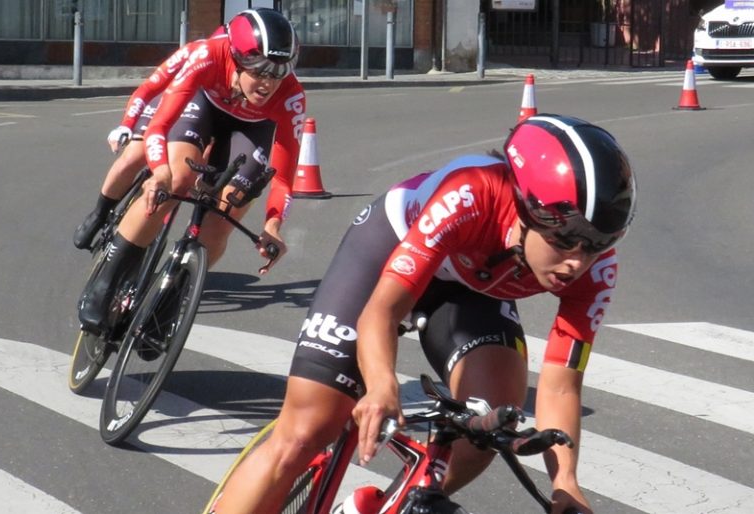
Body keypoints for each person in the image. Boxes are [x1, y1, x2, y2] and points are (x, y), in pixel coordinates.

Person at [208, 114, 637, 514]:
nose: (577, 263)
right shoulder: (469, 195)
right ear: (526, 210)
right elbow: (382, 311)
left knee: (489, 422)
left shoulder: (596, 271)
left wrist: (565, 482)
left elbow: (561, 388)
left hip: (470, 287)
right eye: (565, 242)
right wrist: (380, 385)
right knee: (305, 430)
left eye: (598, 244)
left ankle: (388, 503)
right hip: (388, 251)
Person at [77, 8, 305, 335]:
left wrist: (273, 225)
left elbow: (284, 177)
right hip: (204, 105)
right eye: (260, 70)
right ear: (237, 59)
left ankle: (171, 298)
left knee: (229, 212)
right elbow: (159, 126)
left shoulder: (291, 96)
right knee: (178, 179)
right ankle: (106, 280)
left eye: (279, 71)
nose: (268, 82)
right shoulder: (208, 55)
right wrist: (159, 172)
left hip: (252, 128)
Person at [72, 35, 217, 250]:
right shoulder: (196, 51)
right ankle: (99, 214)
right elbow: (148, 88)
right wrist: (126, 125)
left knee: (186, 171)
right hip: (168, 100)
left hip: (202, 114)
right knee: (134, 155)